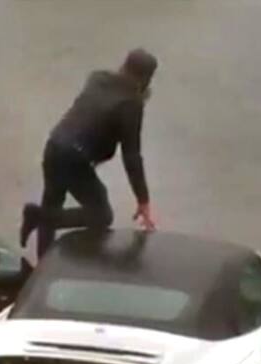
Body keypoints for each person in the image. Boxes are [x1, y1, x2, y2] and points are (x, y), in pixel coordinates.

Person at [19, 48, 158, 258]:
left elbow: (97, 111)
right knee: (101, 214)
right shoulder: (131, 104)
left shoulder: (97, 78)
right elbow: (131, 155)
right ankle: (37, 217)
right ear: (146, 78)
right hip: (74, 158)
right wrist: (143, 200)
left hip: (54, 145)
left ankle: (42, 264)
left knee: (52, 206)